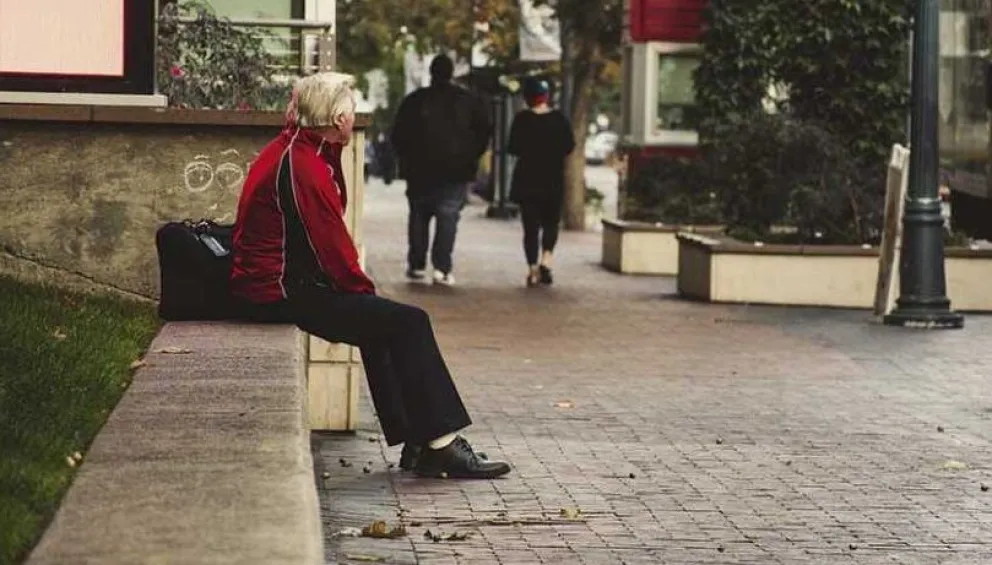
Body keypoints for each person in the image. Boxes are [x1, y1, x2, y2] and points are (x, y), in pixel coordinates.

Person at [229, 72, 511, 480]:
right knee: (408, 321)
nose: (354, 117)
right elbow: (328, 241)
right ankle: (442, 446)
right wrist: (362, 292)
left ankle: (420, 443)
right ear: (338, 118)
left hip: (282, 281)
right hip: (278, 289)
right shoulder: (303, 163)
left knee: (383, 322)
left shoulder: (304, 149)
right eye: (350, 110)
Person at [391, 54, 492, 286]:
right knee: (448, 217)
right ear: (451, 73)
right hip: (455, 171)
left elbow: (398, 135)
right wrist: (470, 157)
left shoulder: (415, 101)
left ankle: (416, 265)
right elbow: (483, 133)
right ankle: (442, 267)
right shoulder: (468, 102)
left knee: (418, 216)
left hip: (419, 172)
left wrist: (407, 160)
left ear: (432, 72)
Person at [507, 78, 575, 287]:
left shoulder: (522, 120)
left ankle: (532, 269)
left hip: (527, 181)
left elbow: (513, 147)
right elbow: (569, 146)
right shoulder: (559, 120)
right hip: (552, 179)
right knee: (551, 223)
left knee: (530, 227)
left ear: (527, 98)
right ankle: (547, 259)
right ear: (546, 97)